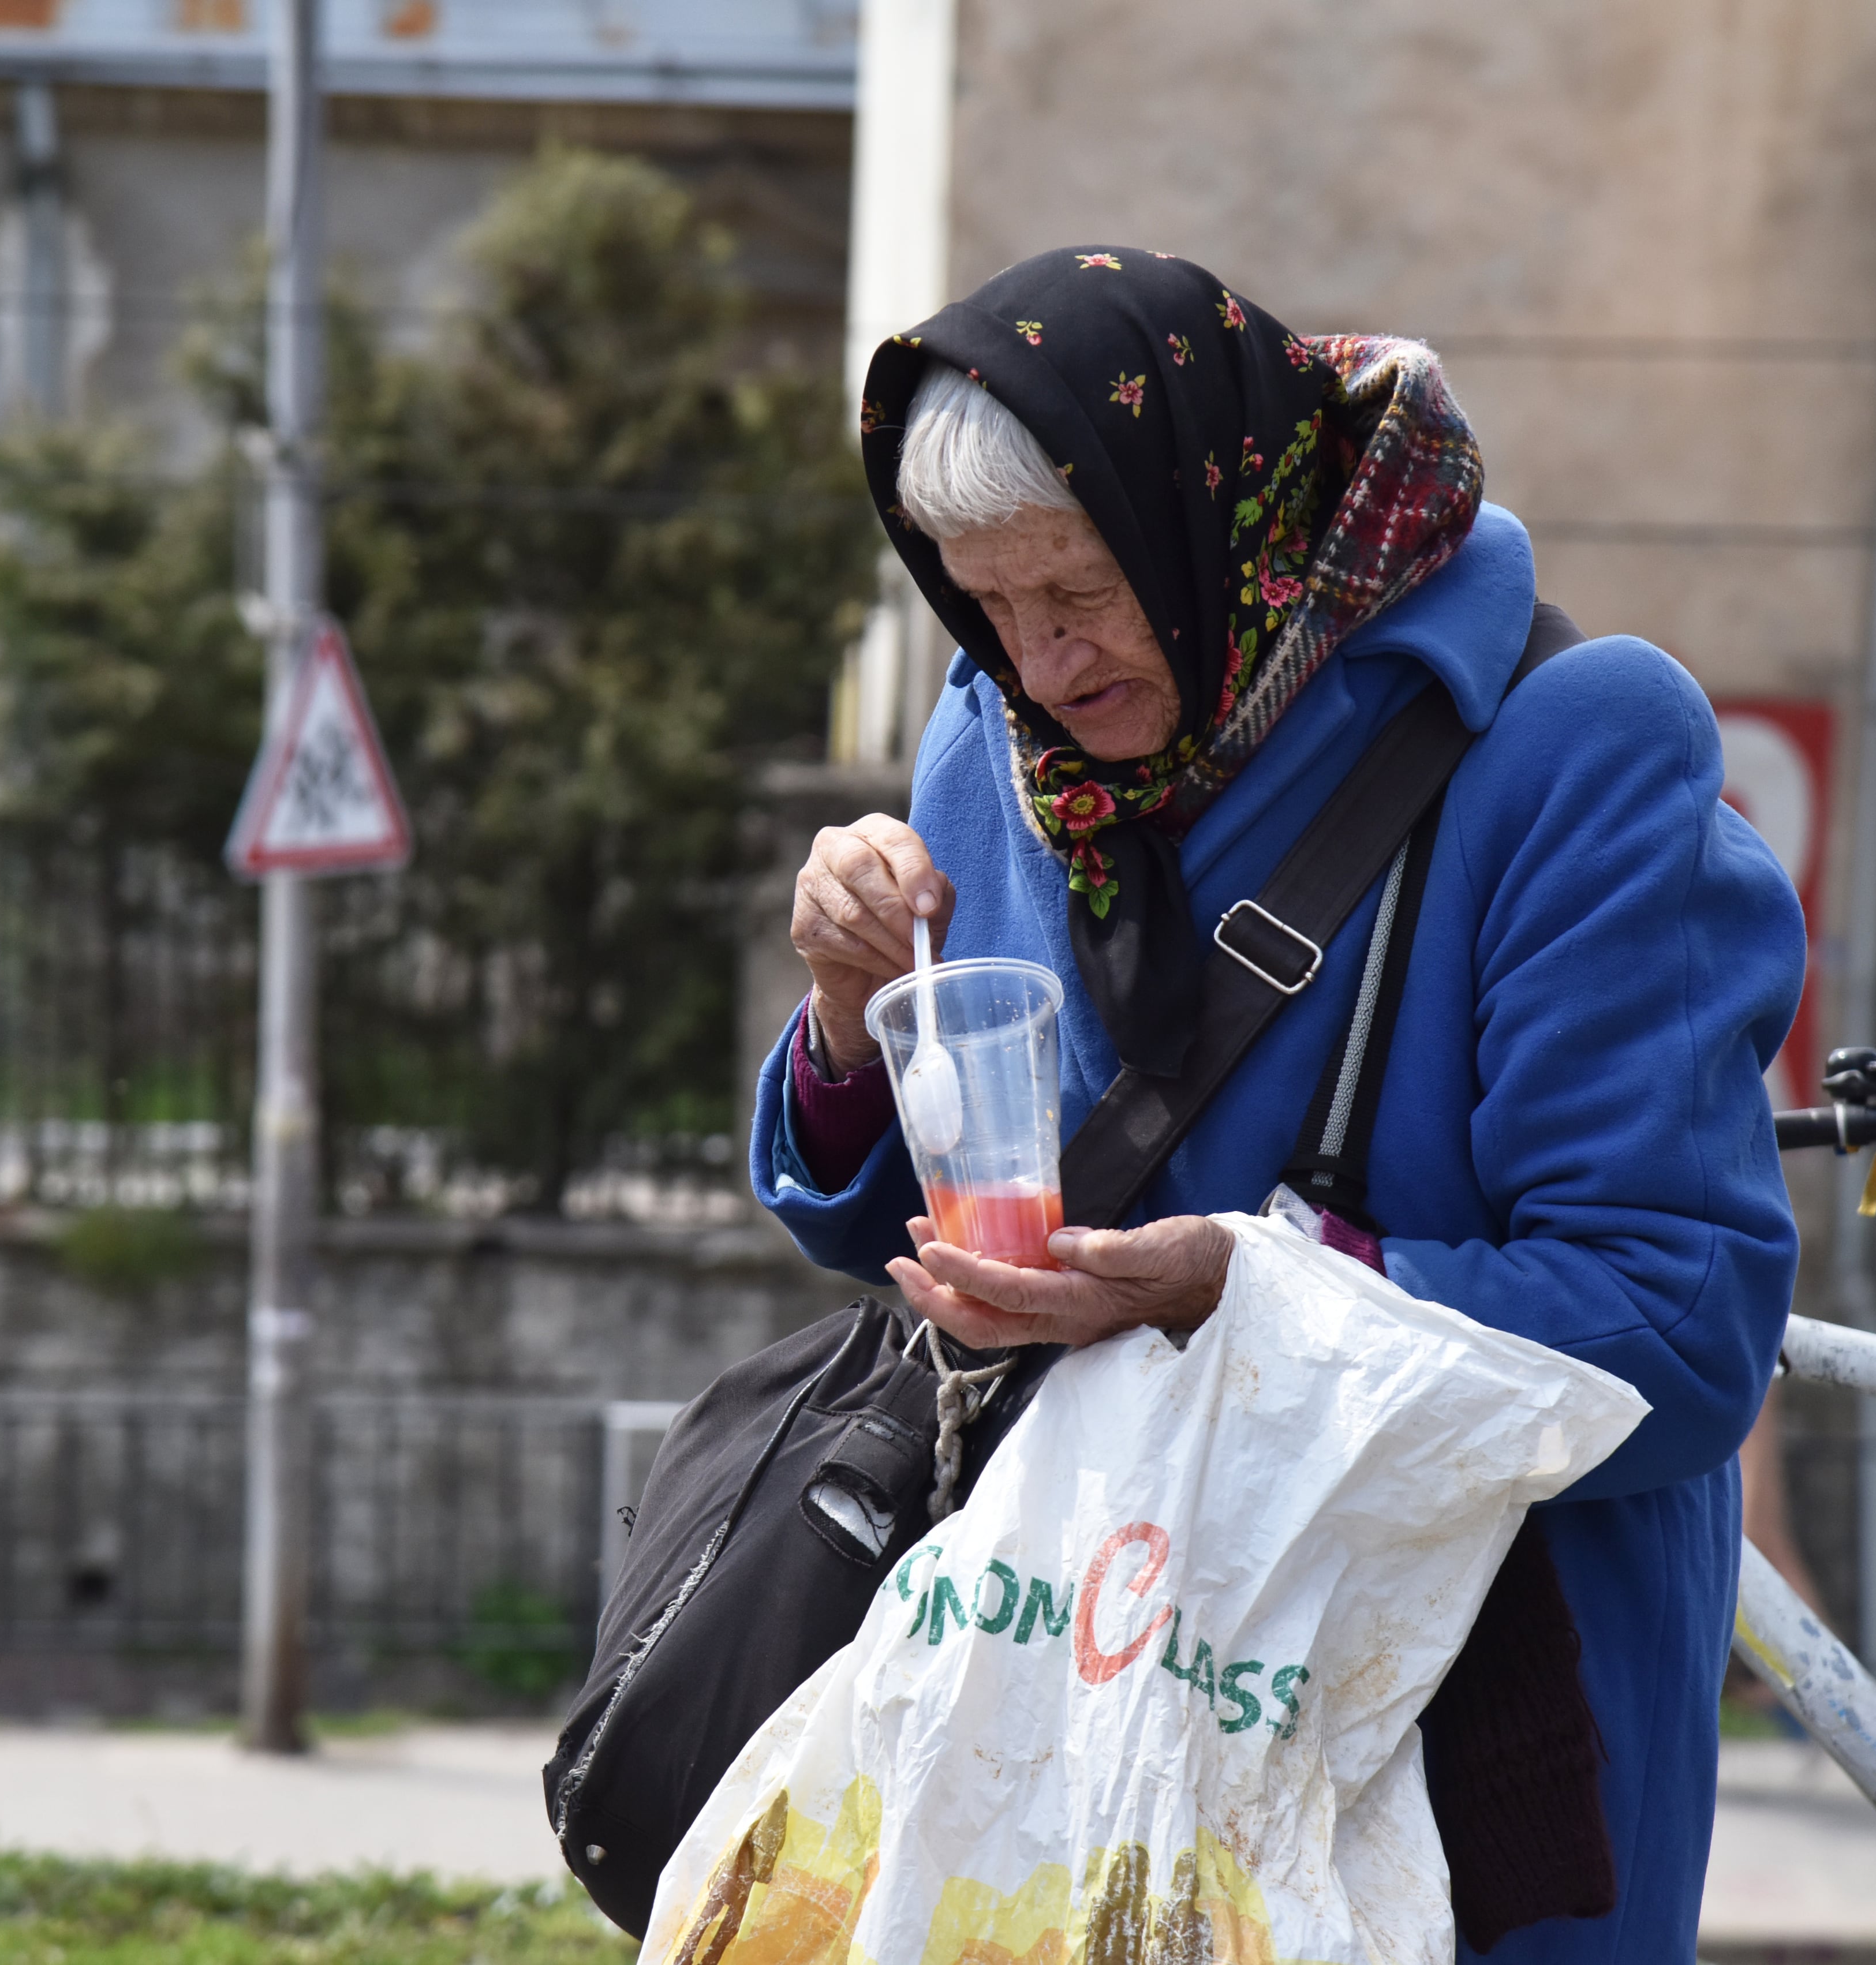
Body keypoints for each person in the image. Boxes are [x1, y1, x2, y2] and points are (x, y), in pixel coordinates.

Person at [747, 248, 1804, 1964]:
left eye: (1078, 591)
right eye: (981, 601)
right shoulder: (1000, 745)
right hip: (1073, 1708)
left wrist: (1234, 1289)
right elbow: (889, 1221)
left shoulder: (1575, 750)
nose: (1041, 662)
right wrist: (850, 1021)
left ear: (1210, 517)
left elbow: (1676, 1335)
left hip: (1459, 1741)